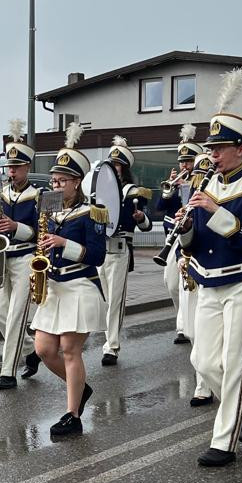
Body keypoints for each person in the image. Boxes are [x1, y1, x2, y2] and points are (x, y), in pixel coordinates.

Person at [177, 68, 242, 468]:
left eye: (220, 148)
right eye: (212, 148)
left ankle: (225, 440)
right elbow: (195, 241)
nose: (213, 155)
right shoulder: (206, 187)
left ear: (241, 149)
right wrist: (186, 229)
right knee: (202, 361)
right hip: (208, 281)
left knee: (236, 363)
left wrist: (215, 211)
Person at [30, 124, 106, 437]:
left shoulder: (93, 212)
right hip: (54, 287)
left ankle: (72, 414)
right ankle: (81, 389)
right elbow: (39, 243)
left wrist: (64, 244)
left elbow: (98, 256)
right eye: (54, 180)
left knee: (70, 350)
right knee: (44, 349)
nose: (57, 184)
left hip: (81, 286)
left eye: (63, 180)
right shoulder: (47, 208)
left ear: (77, 182)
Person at [0, 120, 42, 390]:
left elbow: (39, 232)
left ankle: (7, 372)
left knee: (16, 316)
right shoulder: (0, 194)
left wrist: (15, 228)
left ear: (27, 167)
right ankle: (31, 351)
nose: (11, 171)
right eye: (9, 167)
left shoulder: (37, 196)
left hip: (25, 259)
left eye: (17, 167)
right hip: (2, 258)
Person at [94, 137, 153, 367]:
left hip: (119, 249)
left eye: (117, 166)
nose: (113, 169)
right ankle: (108, 339)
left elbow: (146, 224)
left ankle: (111, 346)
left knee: (116, 301)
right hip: (102, 250)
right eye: (111, 164)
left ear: (124, 169)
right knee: (105, 300)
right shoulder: (99, 191)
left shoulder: (133, 192)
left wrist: (141, 217)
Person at [159, 129, 206, 346]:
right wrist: (170, 190)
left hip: (191, 234)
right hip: (173, 236)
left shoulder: (200, 182)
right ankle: (183, 317)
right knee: (171, 283)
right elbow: (161, 208)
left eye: (188, 161)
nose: (184, 166)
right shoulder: (178, 183)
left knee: (185, 281)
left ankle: (182, 326)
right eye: (182, 162)